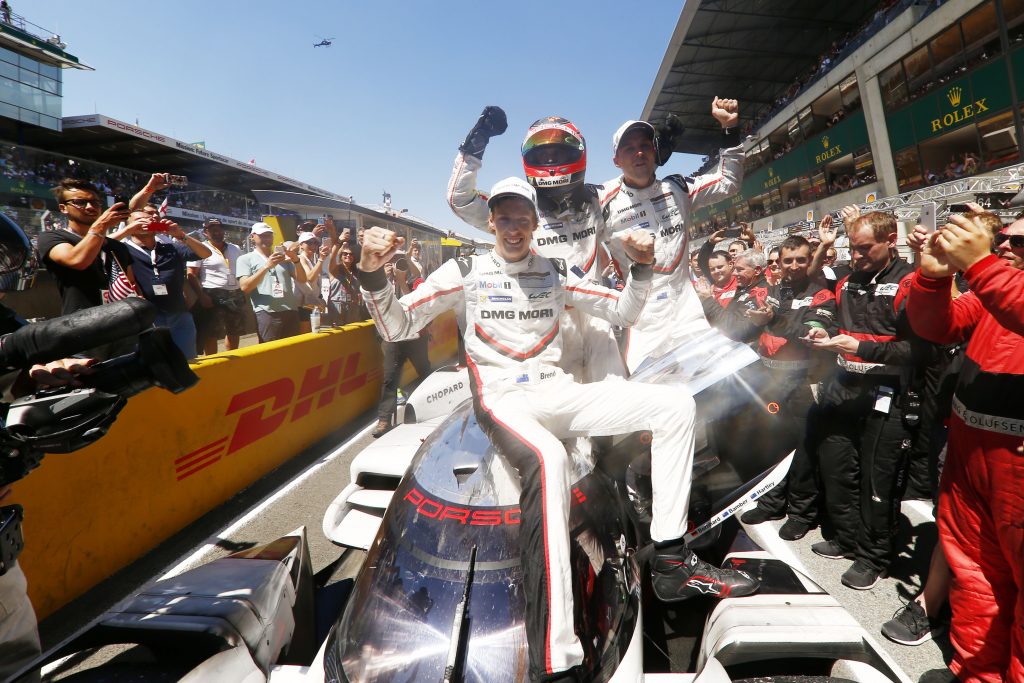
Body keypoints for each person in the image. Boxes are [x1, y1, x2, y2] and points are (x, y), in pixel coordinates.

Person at [354, 177, 758, 682]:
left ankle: (672, 559)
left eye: (523, 217)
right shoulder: (464, 270)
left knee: (674, 406)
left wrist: (641, 265)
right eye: (505, 217)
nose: (514, 226)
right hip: (503, 398)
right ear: (493, 221)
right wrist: (372, 271)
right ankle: (557, 658)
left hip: (557, 390)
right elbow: (396, 327)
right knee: (549, 459)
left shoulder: (556, 272)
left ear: (534, 222)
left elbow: (623, 310)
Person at [906, 212, 1024, 682]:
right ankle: (976, 674)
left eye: (1022, 240)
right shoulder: (999, 288)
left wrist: (981, 264)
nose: (1008, 243)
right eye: (1006, 237)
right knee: (975, 576)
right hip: (970, 458)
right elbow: (939, 327)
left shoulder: (998, 280)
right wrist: (933, 280)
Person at [447, 107, 626, 381]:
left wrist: (656, 151)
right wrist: (475, 144)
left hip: (596, 319)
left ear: (577, 154)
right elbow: (460, 199)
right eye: (541, 155)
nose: (551, 160)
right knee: (558, 415)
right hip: (545, 325)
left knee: (616, 403)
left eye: (558, 153)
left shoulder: (596, 199)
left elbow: (637, 190)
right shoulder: (519, 209)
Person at [804, 211, 932, 590]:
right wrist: (817, 329)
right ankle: (846, 538)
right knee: (838, 468)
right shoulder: (846, 279)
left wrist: (862, 346)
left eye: (864, 249)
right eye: (852, 249)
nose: (856, 256)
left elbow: (919, 350)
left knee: (880, 479)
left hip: (888, 394)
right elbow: (822, 312)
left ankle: (873, 556)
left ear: (891, 239)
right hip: (843, 388)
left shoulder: (911, 281)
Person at [601, 97, 743, 372]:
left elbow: (729, 182)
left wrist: (730, 130)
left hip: (687, 313)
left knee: (717, 398)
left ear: (655, 152)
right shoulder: (603, 201)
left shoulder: (679, 188)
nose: (638, 153)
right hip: (642, 325)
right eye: (629, 148)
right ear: (616, 160)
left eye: (644, 146)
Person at [735, 236, 837, 540]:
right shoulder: (771, 291)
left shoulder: (822, 295)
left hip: (803, 382)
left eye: (800, 260)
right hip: (767, 378)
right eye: (787, 260)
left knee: (802, 450)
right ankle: (772, 501)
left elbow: (813, 333)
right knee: (770, 444)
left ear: (810, 260)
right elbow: (745, 329)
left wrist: (773, 319)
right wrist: (754, 322)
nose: (793, 266)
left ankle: (802, 513)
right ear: (778, 262)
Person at [37, 179, 142, 316]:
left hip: (123, 322)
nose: (90, 207)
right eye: (80, 202)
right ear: (63, 208)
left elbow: (131, 283)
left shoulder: (117, 246)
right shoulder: (51, 237)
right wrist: (101, 226)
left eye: (95, 202)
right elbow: (77, 261)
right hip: (81, 325)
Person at [123, 210, 211, 359]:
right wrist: (126, 231)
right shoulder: (123, 249)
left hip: (179, 316)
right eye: (139, 221)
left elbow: (205, 253)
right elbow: (100, 248)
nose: (145, 223)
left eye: (148, 219)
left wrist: (181, 235)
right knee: (154, 364)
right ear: (128, 227)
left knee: (188, 361)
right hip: (147, 318)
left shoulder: (170, 247)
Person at [372, 253, 431, 438]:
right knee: (390, 378)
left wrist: (402, 280)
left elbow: (415, 305)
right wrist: (385, 278)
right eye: (390, 263)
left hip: (415, 337)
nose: (397, 266)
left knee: (425, 374)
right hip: (393, 338)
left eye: (401, 262)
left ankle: (429, 411)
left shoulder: (418, 282)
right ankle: (384, 419)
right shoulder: (382, 283)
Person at [236, 222, 308, 342]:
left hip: (290, 311)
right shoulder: (245, 259)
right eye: (262, 235)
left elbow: (302, 279)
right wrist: (266, 267)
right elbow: (245, 287)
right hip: (267, 313)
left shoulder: (283, 258)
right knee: (270, 354)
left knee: (293, 353)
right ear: (252, 236)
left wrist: (296, 260)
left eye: (269, 235)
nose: (267, 238)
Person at [188, 219, 246, 355]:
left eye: (219, 229)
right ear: (205, 232)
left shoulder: (235, 248)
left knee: (234, 330)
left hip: (235, 293)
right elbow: (191, 274)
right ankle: (213, 361)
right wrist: (201, 295)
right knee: (211, 333)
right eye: (212, 230)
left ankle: (232, 360)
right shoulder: (199, 248)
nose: (217, 232)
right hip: (212, 294)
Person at [326, 234, 366, 326]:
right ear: (340, 256)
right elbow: (332, 257)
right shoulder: (335, 270)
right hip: (337, 308)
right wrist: (338, 242)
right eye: (345, 254)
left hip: (353, 309)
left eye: (351, 254)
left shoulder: (356, 272)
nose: (348, 255)